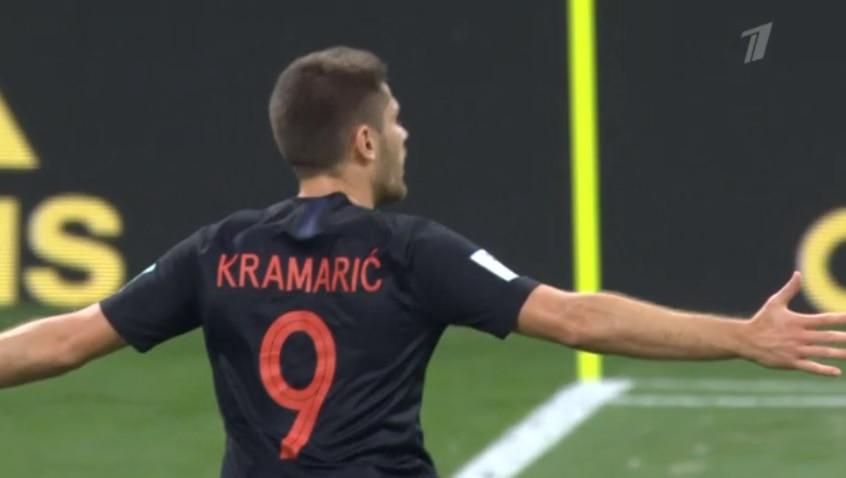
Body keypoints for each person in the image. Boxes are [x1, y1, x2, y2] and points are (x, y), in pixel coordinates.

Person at [1, 46, 845, 478]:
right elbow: (575, 318)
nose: (406, 135)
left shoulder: (220, 250)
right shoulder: (410, 253)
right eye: (396, 121)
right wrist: (741, 337)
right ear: (365, 142)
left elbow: (67, 340)